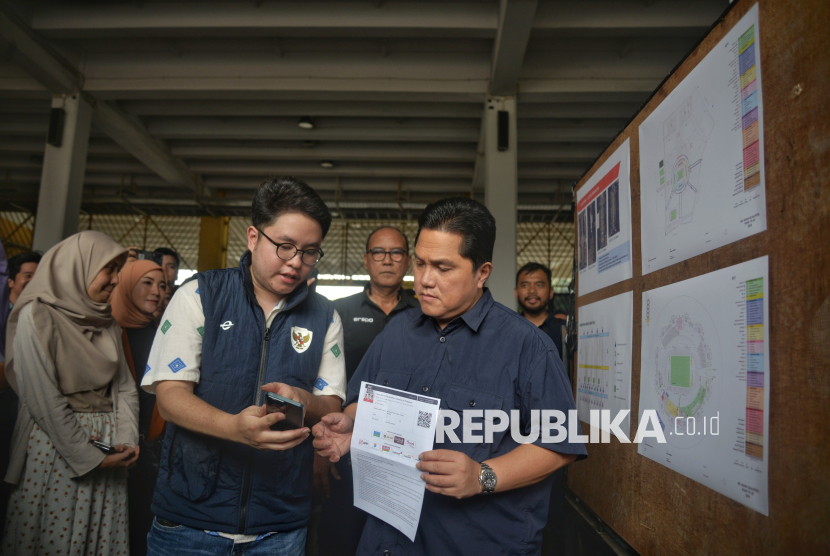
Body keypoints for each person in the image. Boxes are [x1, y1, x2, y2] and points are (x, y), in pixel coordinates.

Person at [313, 197, 587, 556]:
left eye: (443, 267)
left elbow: (558, 445)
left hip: (476, 543)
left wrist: (483, 476)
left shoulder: (527, 346)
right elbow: (362, 402)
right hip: (388, 539)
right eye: (422, 263)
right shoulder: (397, 333)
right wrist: (350, 425)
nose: (424, 280)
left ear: (482, 272)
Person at [140, 177, 347, 556]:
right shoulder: (201, 295)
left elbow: (330, 405)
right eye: (284, 247)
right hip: (190, 519)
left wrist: (304, 398)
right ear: (253, 237)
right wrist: (233, 428)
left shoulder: (324, 316)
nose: (296, 262)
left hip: (279, 526)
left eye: (310, 252)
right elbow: (169, 398)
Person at [2, 231, 139, 556]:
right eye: (109, 269)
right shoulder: (35, 317)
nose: (116, 280)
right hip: (55, 449)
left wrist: (125, 440)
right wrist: (88, 456)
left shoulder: (108, 323)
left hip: (109, 444)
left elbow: (124, 389)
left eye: (119, 270)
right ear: (78, 267)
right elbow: (42, 398)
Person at [316, 226, 418, 556]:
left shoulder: (424, 315)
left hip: (406, 449)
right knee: (342, 536)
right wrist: (319, 452)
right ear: (366, 259)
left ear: (408, 261)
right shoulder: (338, 313)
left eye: (396, 253)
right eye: (378, 252)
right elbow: (319, 384)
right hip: (347, 442)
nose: (387, 260)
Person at [110, 259, 168, 556]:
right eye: (147, 283)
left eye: (162, 285)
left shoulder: (166, 334)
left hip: (153, 448)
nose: (156, 291)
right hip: (112, 448)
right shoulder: (104, 332)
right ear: (126, 286)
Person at [515, 262, 566, 360]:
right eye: (525, 285)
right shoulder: (507, 330)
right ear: (516, 293)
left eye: (539, 285)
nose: (532, 291)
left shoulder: (563, 330)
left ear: (551, 292)